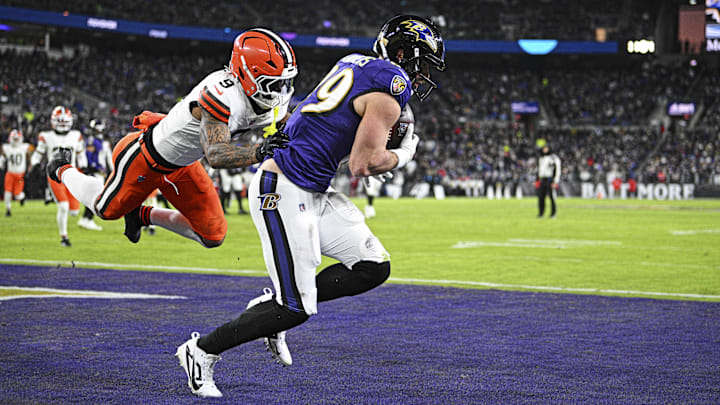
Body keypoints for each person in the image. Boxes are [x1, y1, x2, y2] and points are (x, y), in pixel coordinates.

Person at [175, 15, 446, 398]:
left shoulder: (354, 62)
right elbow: (361, 165)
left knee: (372, 267)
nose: (421, 76)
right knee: (295, 309)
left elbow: (330, 135)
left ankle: (275, 301)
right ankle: (201, 351)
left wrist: (374, 147)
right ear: (402, 53)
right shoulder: (393, 83)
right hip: (282, 189)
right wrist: (402, 154)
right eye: (421, 64)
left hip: (310, 188)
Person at [46, 28, 296, 248]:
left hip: (184, 165)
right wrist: (259, 151)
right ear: (247, 74)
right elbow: (216, 154)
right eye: (274, 84)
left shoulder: (269, 99)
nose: (280, 92)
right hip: (146, 158)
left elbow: (295, 126)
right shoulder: (220, 93)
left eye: (285, 84)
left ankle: (142, 215)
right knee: (104, 209)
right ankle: (60, 167)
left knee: (213, 235)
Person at [30, 106, 87, 246]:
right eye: (59, 121)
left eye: (64, 121)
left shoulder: (76, 135)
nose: (62, 124)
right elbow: (38, 153)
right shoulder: (46, 136)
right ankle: (64, 237)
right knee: (63, 206)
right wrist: (35, 164)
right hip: (55, 174)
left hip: (72, 175)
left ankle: (52, 198)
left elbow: (80, 153)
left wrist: (84, 166)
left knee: (74, 211)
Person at [76, 119, 109, 231]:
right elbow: (89, 158)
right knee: (96, 198)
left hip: (98, 172)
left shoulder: (99, 141)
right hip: (94, 172)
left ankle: (85, 219)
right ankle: (88, 220)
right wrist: (97, 168)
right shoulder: (92, 140)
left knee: (94, 198)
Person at [1, 129, 32, 217]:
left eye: (17, 139)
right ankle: (8, 210)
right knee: (7, 192)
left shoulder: (25, 147)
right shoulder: (6, 148)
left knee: (18, 195)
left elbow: (31, 152)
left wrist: (29, 164)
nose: (16, 141)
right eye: (14, 139)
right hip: (10, 174)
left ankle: (22, 198)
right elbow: (3, 157)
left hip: (20, 175)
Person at [536, 144, 561, 218]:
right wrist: (537, 179)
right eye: (544, 148)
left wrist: (555, 181)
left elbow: (557, 170)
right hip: (542, 179)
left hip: (550, 179)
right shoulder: (541, 158)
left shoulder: (553, 158)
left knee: (552, 197)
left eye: (546, 148)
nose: (545, 149)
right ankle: (541, 213)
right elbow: (539, 170)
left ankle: (553, 214)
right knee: (541, 197)